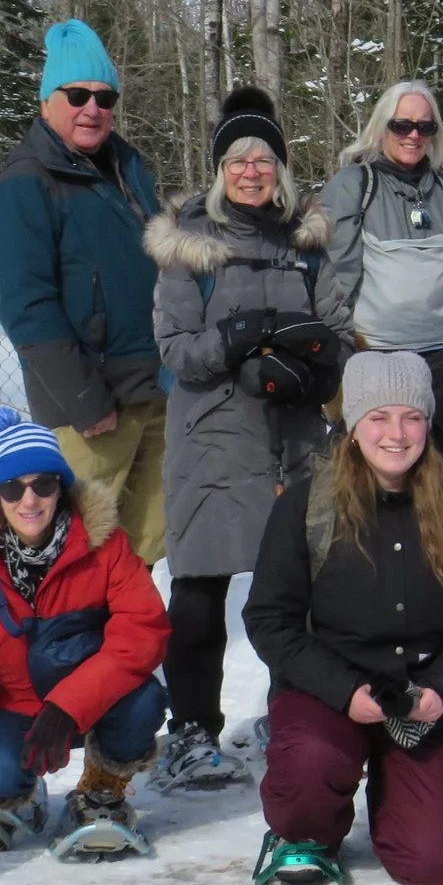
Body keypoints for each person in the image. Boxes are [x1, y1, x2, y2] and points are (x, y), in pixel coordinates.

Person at [242, 351, 443, 885]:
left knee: (435, 864)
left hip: (427, 695)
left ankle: (399, 789)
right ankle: (307, 828)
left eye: (411, 417)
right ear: (353, 426)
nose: (396, 434)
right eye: (379, 417)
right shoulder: (308, 506)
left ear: (428, 422)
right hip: (329, 690)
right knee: (312, 766)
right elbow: (269, 618)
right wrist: (343, 690)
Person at [144, 85, 351, 793]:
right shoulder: (190, 246)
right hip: (212, 437)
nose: (252, 170)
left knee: (300, 585)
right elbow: (174, 348)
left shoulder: (308, 243)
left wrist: (313, 367)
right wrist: (230, 342)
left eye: (264, 157)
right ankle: (194, 729)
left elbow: (338, 334)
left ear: (282, 169)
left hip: (294, 439)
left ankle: (292, 706)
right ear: (220, 168)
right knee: (199, 590)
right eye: (238, 158)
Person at [0, 408, 171, 885]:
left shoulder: (106, 546)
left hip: (90, 697)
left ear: (62, 485)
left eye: (43, 485)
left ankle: (102, 789)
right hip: (15, 709)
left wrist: (69, 706)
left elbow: (145, 629)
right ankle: (20, 796)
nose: (29, 500)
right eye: (13, 489)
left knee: (145, 700)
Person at [0, 19, 169, 563]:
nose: (93, 107)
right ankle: (71, 648)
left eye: (105, 96)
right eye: (78, 94)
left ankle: (128, 647)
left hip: (154, 390)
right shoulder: (27, 183)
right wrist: (84, 399)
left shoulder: (126, 167)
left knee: (142, 550)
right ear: (48, 101)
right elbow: (27, 308)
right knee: (77, 555)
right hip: (93, 407)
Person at [320, 81, 443, 449]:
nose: (413, 135)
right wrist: (334, 351)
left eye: (424, 127)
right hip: (379, 360)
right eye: (402, 125)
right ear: (382, 126)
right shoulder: (354, 186)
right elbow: (334, 276)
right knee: (379, 470)